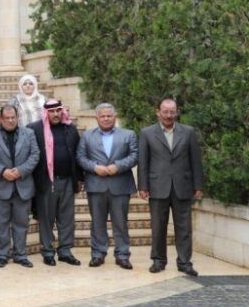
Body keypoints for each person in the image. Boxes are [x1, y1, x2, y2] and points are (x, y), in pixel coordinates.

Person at [139, 98, 204, 276]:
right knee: (158, 227)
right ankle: (158, 261)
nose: (169, 115)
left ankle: (184, 262)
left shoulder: (188, 132)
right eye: (165, 111)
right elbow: (143, 161)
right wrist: (143, 186)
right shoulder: (147, 133)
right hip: (157, 186)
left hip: (183, 186)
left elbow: (195, 161)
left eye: (172, 112)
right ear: (158, 112)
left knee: (184, 228)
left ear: (177, 112)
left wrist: (198, 185)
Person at [77, 103, 139, 269]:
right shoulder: (87, 136)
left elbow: (134, 156)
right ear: (96, 118)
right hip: (96, 185)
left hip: (120, 185)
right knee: (97, 223)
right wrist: (94, 167)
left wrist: (118, 166)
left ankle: (122, 255)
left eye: (109, 116)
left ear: (114, 117)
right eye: (102, 116)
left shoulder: (128, 134)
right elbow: (80, 157)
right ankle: (98, 254)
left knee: (121, 223)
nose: (106, 119)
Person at [28, 99, 83, 267]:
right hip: (46, 182)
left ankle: (65, 251)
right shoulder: (34, 129)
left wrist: (79, 178)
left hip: (67, 180)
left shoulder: (70, 129)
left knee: (66, 219)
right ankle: (47, 251)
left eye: (58, 111)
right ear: (46, 113)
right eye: (51, 111)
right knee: (46, 219)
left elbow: (77, 155)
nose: (56, 114)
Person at [0, 105, 39, 268]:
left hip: (23, 186)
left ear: (18, 118)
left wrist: (21, 171)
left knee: (22, 224)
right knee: (1, 224)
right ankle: (2, 255)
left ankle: (20, 255)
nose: (11, 120)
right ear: (1, 119)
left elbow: (35, 155)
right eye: (7, 118)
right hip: (1, 187)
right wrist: (2, 171)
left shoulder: (29, 134)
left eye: (13, 117)